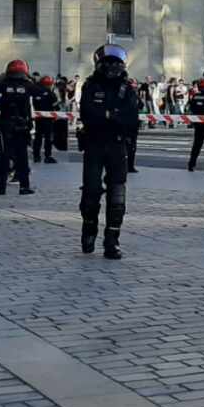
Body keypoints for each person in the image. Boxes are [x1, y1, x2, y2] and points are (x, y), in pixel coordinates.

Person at [77, 44, 141, 259]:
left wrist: (108, 116)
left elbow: (132, 120)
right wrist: (113, 116)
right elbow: (88, 113)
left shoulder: (127, 89)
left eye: (116, 63)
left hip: (117, 145)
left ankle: (112, 241)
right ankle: (89, 229)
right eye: (108, 63)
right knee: (91, 192)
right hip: (94, 144)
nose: (113, 67)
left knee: (117, 196)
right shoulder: (91, 86)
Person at [0, 60, 38, 195]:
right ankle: (24, 186)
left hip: (6, 125)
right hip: (22, 125)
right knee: (22, 156)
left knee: (4, 157)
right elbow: (39, 91)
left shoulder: (3, 85)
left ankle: (1, 187)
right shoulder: (28, 85)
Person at [32, 74, 60, 164]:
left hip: (38, 118)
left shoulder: (36, 92)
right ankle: (47, 156)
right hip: (48, 119)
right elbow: (57, 107)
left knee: (38, 137)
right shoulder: (51, 94)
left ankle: (36, 156)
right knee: (48, 138)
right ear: (49, 84)